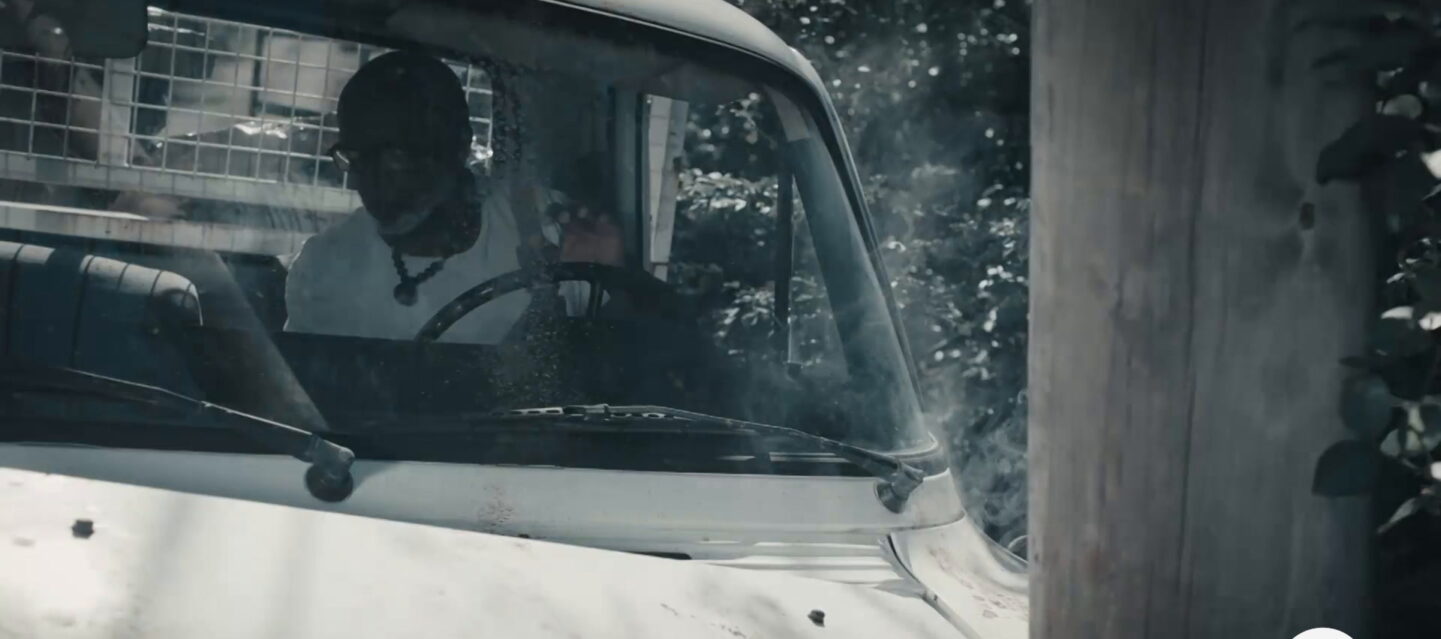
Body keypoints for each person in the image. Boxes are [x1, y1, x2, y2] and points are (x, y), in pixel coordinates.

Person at [284, 51, 621, 343]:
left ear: (459, 146)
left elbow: (621, 360)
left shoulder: (552, 229)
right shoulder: (324, 268)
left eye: (395, 157)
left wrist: (610, 278)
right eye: (353, 158)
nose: (364, 179)